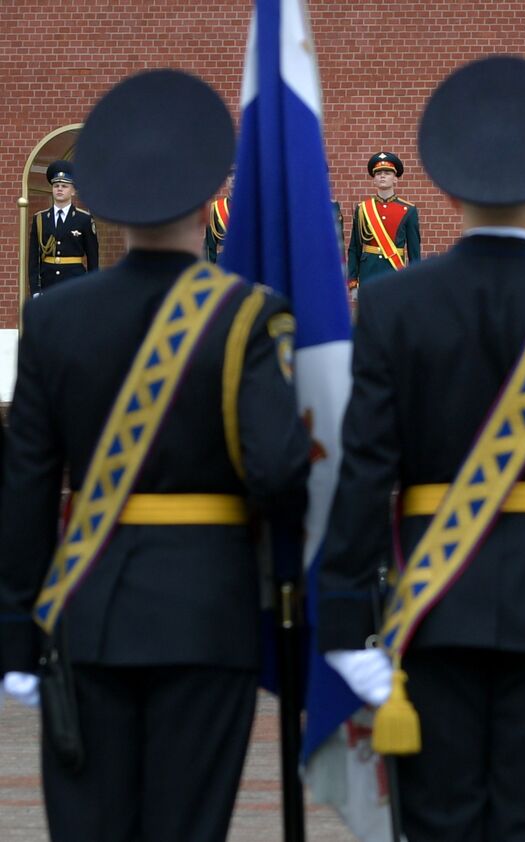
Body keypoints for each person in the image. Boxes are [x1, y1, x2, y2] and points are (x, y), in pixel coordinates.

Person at [318, 55, 525, 841]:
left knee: (436, 826)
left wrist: (343, 619)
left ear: (442, 187)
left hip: (434, 610)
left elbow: (366, 466)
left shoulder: (395, 303)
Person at [0, 69, 310, 842]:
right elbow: (278, 472)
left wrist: (14, 632)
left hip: (85, 608)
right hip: (210, 615)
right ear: (213, 199)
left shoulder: (55, 322)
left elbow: (27, 487)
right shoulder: (246, 314)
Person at [346, 151, 421, 298]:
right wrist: (353, 281)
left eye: (387, 173)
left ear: (395, 179)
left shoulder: (409, 210)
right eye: (378, 173)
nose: (382, 176)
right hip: (368, 273)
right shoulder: (362, 209)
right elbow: (354, 248)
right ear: (374, 180)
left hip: (395, 272)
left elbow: (414, 251)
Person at [27, 160, 99, 295]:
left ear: (73, 191)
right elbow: (33, 259)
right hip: (47, 283)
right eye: (56, 186)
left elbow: (93, 258)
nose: (59, 189)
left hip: (74, 282)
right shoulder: (40, 219)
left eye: (64, 186)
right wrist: (35, 290)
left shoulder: (83, 219)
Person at [203, 170, 233, 263]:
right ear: (226, 181)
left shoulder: (252, 206)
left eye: (237, 175)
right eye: (230, 176)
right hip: (224, 263)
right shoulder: (216, 208)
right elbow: (210, 245)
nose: (233, 179)